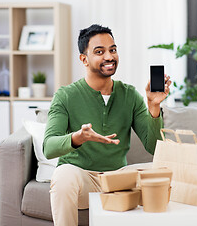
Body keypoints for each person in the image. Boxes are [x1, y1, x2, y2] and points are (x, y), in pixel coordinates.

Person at [43, 24, 171, 226]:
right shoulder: (66, 96)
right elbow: (49, 147)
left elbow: (154, 147)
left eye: (113, 50)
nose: (109, 56)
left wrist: (154, 108)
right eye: (99, 52)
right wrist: (79, 137)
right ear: (84, 59)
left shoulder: (130, 95)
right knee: (63, 175)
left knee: (169, 169)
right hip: (82, 177)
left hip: (119, 179)